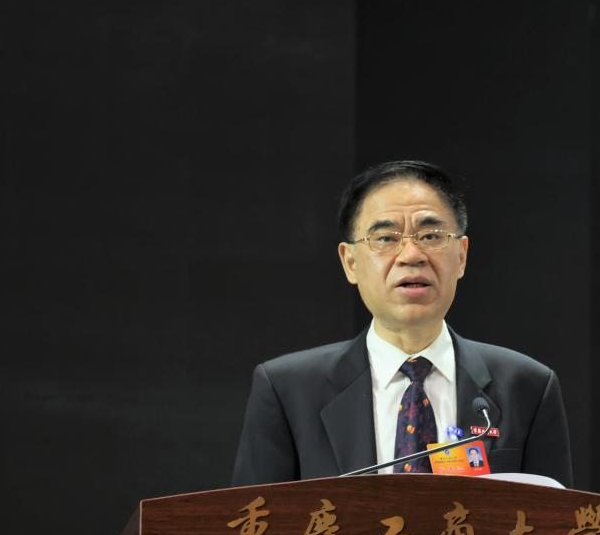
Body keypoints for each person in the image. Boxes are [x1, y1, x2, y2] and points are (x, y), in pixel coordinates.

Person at [232, 160, 572, 487]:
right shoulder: (288, 391)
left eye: (431, 236)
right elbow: (253, 522)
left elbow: (557, 521)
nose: (411, 255)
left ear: (462, 256)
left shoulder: (526, 388)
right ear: (350, 262)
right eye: (385, 238)